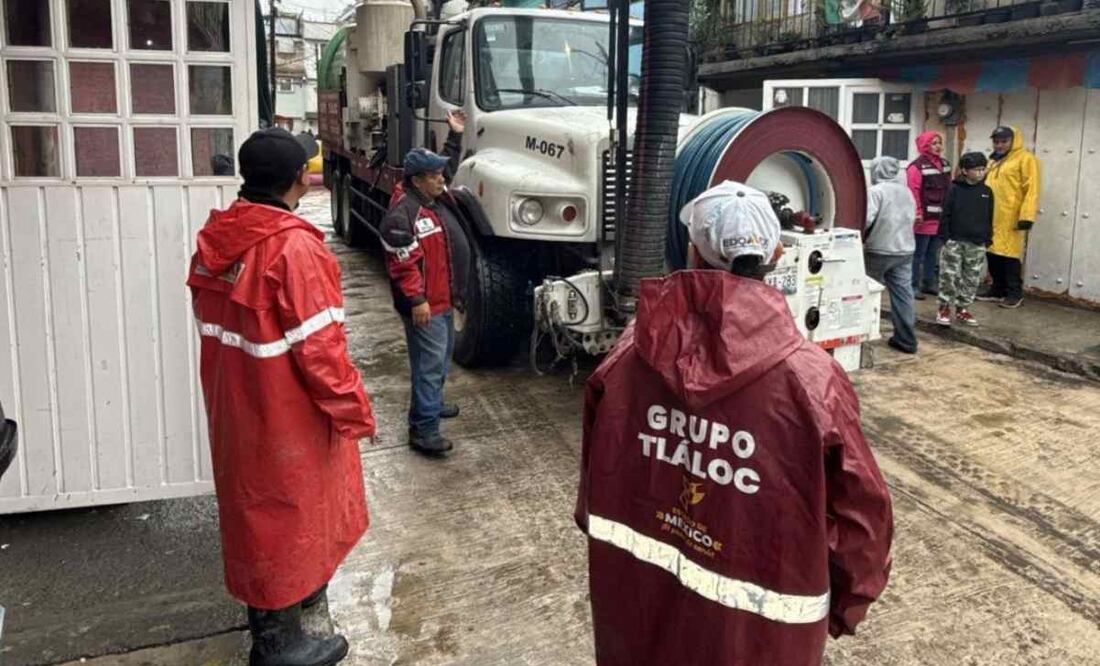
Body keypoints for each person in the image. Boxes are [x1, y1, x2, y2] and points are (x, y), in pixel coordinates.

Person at [575, 181, 894, 666]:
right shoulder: (811, 381)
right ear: (779, 253)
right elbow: (862, 516)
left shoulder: (626, 357)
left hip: (636, 618)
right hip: (760, 643)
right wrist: (848, 605)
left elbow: (593, 490)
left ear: (691, 251)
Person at [188, 128, 376, 666]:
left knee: (254, 514)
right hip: (286, 413)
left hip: (235, 401)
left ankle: (271, 627)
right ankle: (280, 647)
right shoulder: (293, 248)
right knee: (291, 516)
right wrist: (355, 413)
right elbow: (323, 354)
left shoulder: (218, 238)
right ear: (302, 178)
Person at [381, 110, 470, 456]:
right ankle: (424, 428)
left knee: (439, 360)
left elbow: (447, 168)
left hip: (442, 300)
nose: (442, 180)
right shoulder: (403, 215)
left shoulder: (433, 197)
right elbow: (403, 265)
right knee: (429, 364)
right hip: (425, 306)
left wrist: (455, 135)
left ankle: (431, 403)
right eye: (434, 176)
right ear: (417, 180)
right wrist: (417, 301)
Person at [980, 126, 1041, 309]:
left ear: (1014, 141)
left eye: (1004, 141)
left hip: (1011, 215)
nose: (999, 145)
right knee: (992, 251)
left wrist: (1027, 215)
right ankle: (997, 289)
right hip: (991, 214)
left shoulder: (1026, 159)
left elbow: (1032, 189)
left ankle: (1014, 293)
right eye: (996, 141)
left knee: (1010, 255)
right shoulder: (993, 160)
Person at [864, 156, 918, 354]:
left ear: (876, 171)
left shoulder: (876, 192)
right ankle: (907, 340)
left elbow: (866, 220)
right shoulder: (906, 192)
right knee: (903, 295)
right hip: (905, 250)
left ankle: (863, 338)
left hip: (879, 249)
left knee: (866, 293)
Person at [936, 152, 995, 327]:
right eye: (976, 169)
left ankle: (963, 308)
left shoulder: (987, 191)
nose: (980, 173)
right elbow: (945, 214)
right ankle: (944, 307)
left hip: (977, 242)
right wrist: (946, 237)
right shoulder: (954, 189)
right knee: (950, 276)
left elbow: (989, 216)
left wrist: (987, 237)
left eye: (983, 169)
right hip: (955, 240)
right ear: (964, 170)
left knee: (972, 277)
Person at [907, 130, 952, 300]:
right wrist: (917, 212)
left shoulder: (945, 164)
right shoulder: (916, 167)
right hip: (924, 219)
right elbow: (913, 191)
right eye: (933, 143)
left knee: (933, 254)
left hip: (940, 220)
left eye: (939, 142)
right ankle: (913, 285)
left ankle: (928, 283)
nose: (938, 146)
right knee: (918, 254)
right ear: (925, 145)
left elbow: (949, 190)